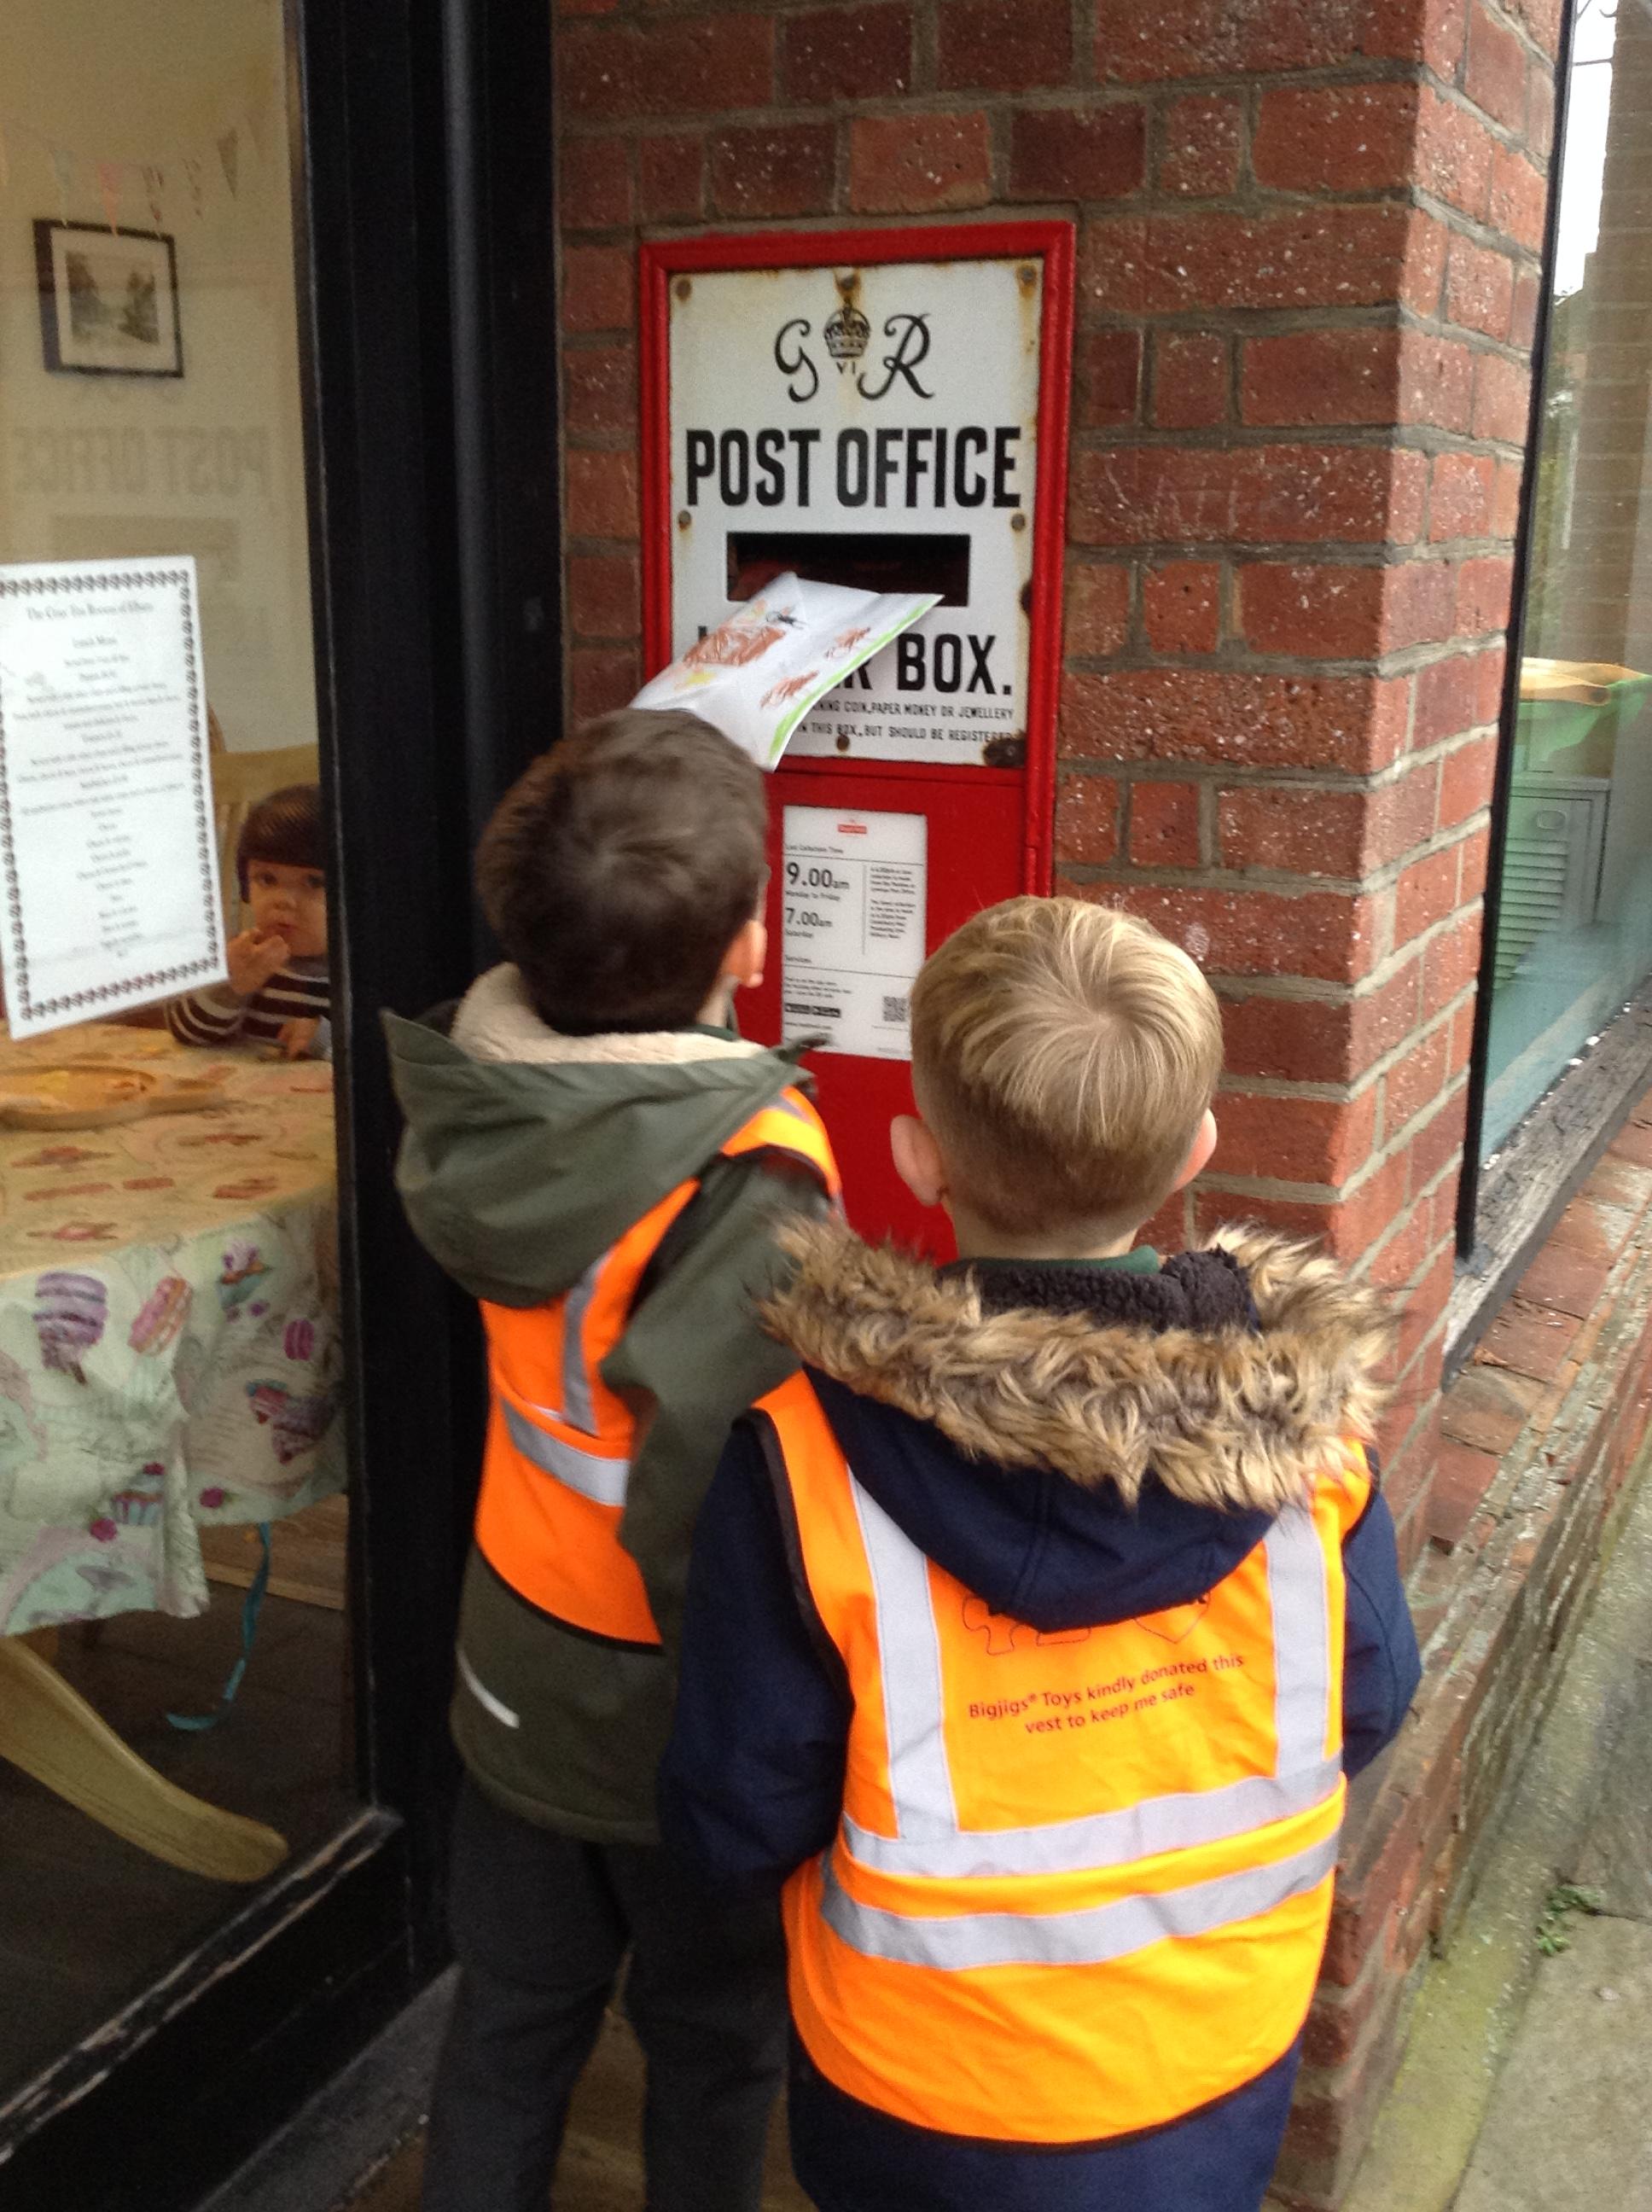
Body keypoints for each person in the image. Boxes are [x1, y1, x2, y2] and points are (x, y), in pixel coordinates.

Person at [660, 895, 1422, 2212]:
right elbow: (1375, 1697)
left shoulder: (797, 1463)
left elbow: (738, 1810)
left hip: (918, 2094)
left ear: (918, 1157)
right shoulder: (1317, 1455)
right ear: (1199, 1147)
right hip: (1216, 2059)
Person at [383, 707, 841, 2212]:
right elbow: (721, 1495)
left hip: (513, 1653)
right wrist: (780, 1723)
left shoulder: (480, 1101)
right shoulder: (747, 1171)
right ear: (750, 944)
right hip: (667, 1708)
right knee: (711, 2042)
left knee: (510, 2025)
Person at [167, 783, 330, 1058]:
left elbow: (388, 1055)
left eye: (313, 882)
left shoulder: (365, 975)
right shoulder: (245, 959)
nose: (283, 900)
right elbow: (187, 1033)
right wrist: (230, 987)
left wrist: (324, 1038)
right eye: (267, 879)